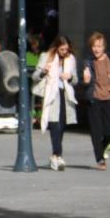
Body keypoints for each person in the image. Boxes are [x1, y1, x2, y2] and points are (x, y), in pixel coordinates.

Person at [32, 35, 78, 171]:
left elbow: (76, 80)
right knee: (55, 126)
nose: (65, 52)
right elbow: (35, 76)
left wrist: (70, 78)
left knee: (62, 126)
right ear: (57, 47)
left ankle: (55, 156)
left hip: (65, 95)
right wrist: (43, 71)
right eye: (62, 49)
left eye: (67, 49)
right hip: (51, 95)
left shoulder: (70, 59)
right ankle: (58, 155)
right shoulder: (46, 57)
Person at [82, 32, 110, 170]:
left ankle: (102, 149)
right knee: (96, 132)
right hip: (95, 99)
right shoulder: (89, 62)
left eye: (99, 46)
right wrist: (86, 80)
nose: (96, 49)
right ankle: (100, 159)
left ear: (104, 47)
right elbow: (86, 80)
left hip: (109, 99)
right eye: (94, 46)